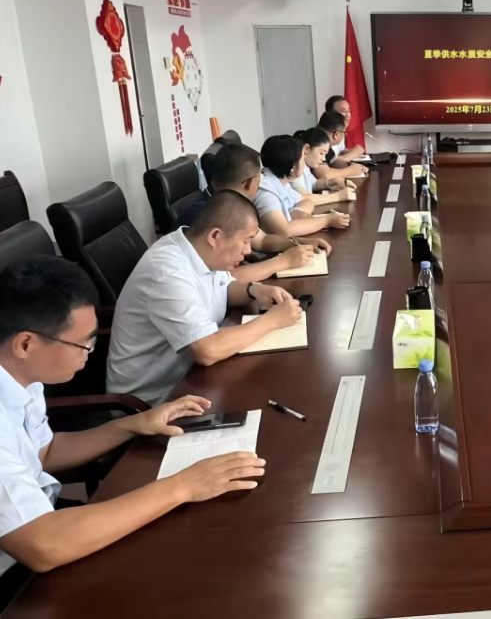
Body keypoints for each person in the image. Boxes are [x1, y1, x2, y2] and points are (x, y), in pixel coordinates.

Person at [0, 256, 263, 598]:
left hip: (40, 523)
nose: (89, 352)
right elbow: (43, 545)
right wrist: (184, 486)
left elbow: (44, 454)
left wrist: (132, 425)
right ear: (25, 344)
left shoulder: (22, 376)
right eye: (84, 342)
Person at [107, 191, 303, 403]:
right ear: (215, 236)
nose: (248, 250)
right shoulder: (167, 272)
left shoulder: (199, 249)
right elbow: (208, 349)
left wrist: (254, 290)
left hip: (190, 379)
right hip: (153, 401)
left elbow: (224, 288)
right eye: (245, 241)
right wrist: (273, 321)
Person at [174, 144, 332, 283]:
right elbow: (222, 280)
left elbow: (262, 240)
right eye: (260, 175)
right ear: (251, 182)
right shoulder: (205, 215)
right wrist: (284, 261)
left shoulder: (230, 204)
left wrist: (299, 243)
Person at [255, 135, 352, 238]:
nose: (304, 161)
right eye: (303, 157)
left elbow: (306, 201)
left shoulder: (281, 182)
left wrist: (297, 212)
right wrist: (327, 221)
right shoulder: (266, 192)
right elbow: (284, 231)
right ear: (292, 164)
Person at [290, 127, 357, 199]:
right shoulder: (295, 168)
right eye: (321, 153)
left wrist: (335, 181)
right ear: (307, 148)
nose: (323, 159)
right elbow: (304, 198)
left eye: (325, 154)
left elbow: (314, 184)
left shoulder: (306, 166)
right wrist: (339, 196)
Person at [315, 110, 368, 180]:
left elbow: (333, 162)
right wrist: (350, 171)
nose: (344, 135)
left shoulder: (325, 144)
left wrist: (351, 165)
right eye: (344, 132)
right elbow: (325, 175)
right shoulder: (317, 144)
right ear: (336, 135)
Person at [325, 95, 366, 162]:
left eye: (349, 111)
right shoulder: (323, 136)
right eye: (343, 111)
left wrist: (356, 150)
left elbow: (340, 151)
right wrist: (353, 154)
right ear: (331, 114)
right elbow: (330, 162)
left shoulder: (340, 130)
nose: (347, 115)